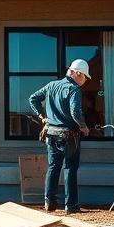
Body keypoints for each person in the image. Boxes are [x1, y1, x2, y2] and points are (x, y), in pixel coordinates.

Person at [29, 59, 91, 214]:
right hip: (69, 135)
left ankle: (50, 203)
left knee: (53, 167)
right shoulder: (73, 89)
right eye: (84, 77)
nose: (84, 81)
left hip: (51, 132)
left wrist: (42, 117)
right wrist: (83, 127)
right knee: (70, 168)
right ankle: (71, 206)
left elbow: (33, 98)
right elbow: (75, 112)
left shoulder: (51, 85)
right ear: (77, 73)